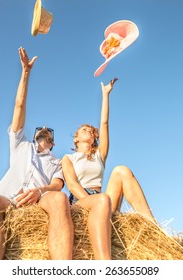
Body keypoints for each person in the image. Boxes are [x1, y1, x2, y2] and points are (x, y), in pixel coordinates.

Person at [0, 47, 74, 260]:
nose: (44, 129)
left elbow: (58, 185)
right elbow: (19, 106)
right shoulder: (20, 144)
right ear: (34, 135)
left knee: (59, 200)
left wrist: (40, 191)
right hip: (10, 197)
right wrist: (26, 73)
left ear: (53, 142)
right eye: (41, 129)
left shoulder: (57, 161)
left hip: (41, 199)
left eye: (48, 132)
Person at [62, 78, 157, 236]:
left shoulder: (100, 154)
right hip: (80, 203)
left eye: (91, 131)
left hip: (101, 199)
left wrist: (106, 95)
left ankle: (153, 228)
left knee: (121, 171)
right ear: (76, 138)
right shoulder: (68, 158)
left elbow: (104, 123)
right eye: (84, 129)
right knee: (98, 201)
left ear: (94, 139)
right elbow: (72, 185)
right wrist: (95, 204)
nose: (89, 131)